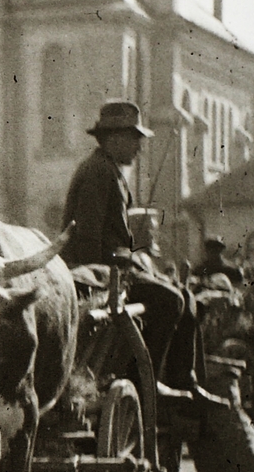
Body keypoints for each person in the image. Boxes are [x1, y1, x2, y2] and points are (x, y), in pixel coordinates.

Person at [62, 101, 195, 390]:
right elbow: (88, 240)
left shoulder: (108, 170)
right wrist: (117, 273)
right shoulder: (98, 172)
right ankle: (146, 383)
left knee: (183, 295)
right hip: (97, 276)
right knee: (172, 300)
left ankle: (184, 379)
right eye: (135, 139)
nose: (140, 148)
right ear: (115, 138)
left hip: (113, 269)